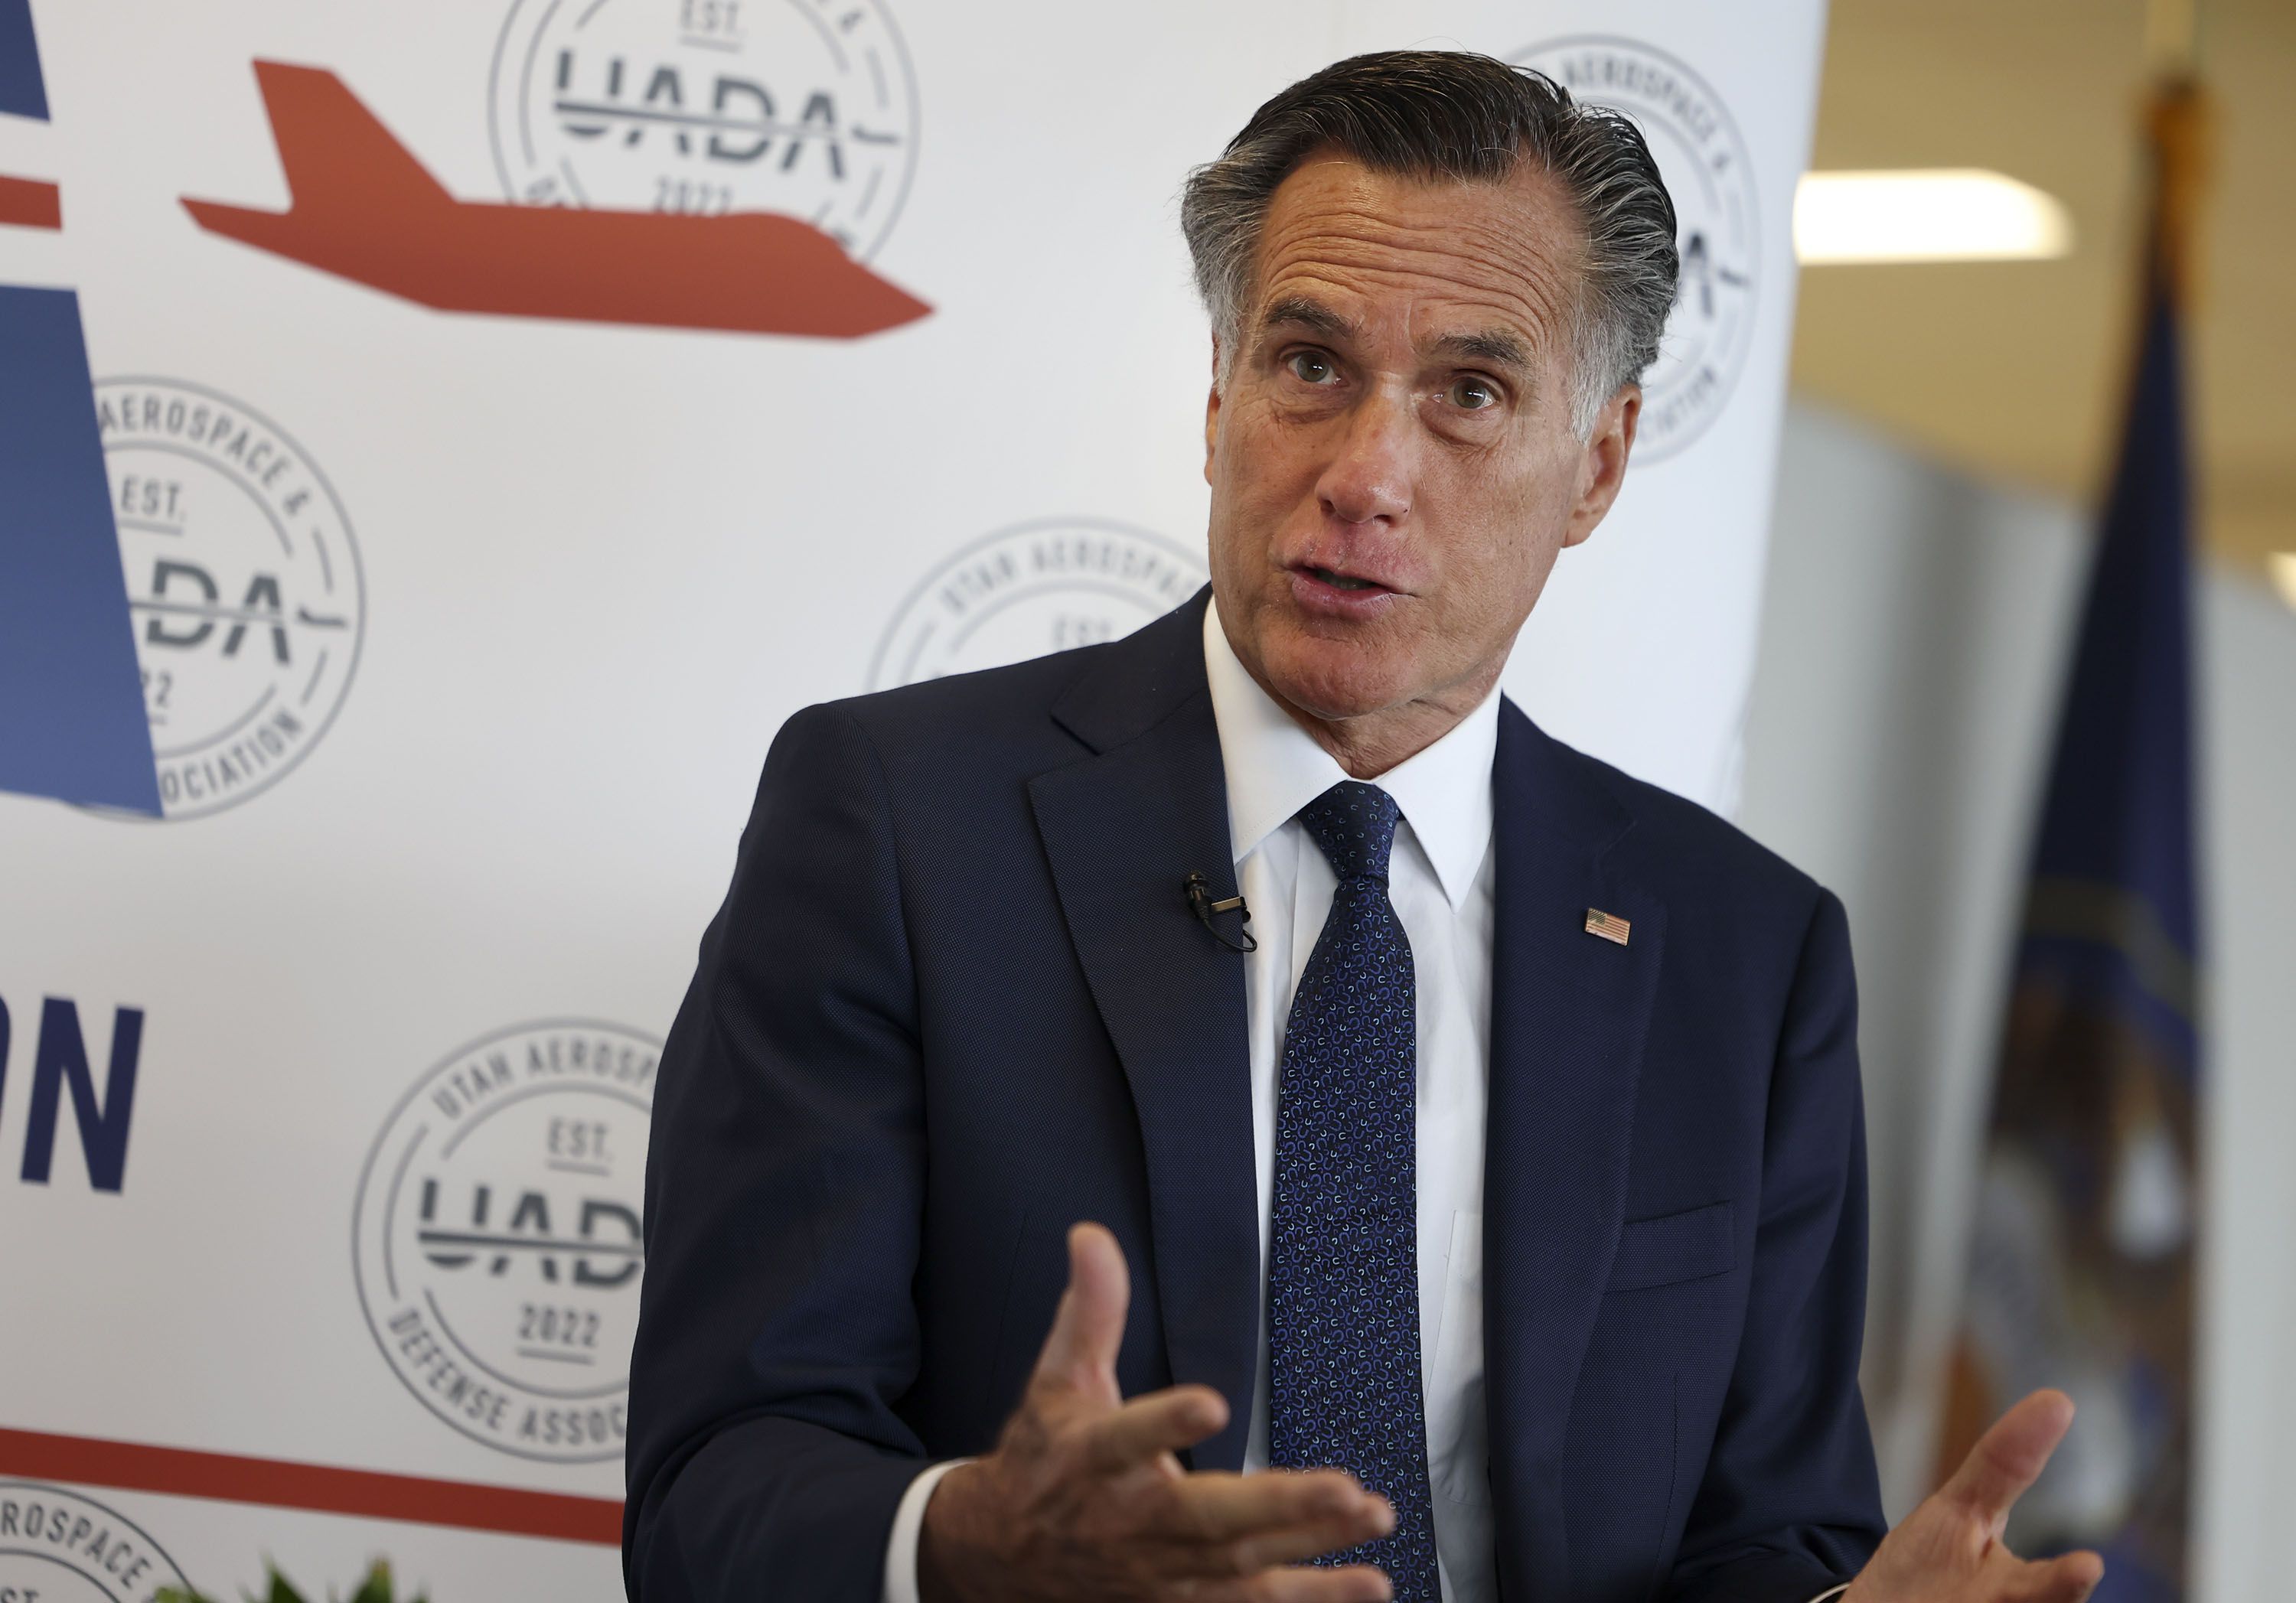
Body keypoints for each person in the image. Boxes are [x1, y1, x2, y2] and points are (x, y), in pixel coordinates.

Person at [622, 51, 2106, 1603]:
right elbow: (718, 1482)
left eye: (1470, 393)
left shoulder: (1744, 953)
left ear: (1595, 463)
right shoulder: (899, 828)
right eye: (1312, 364)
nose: (1366, 475)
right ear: (1219, 396)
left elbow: (1767, 1532)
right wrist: (981, 1543)